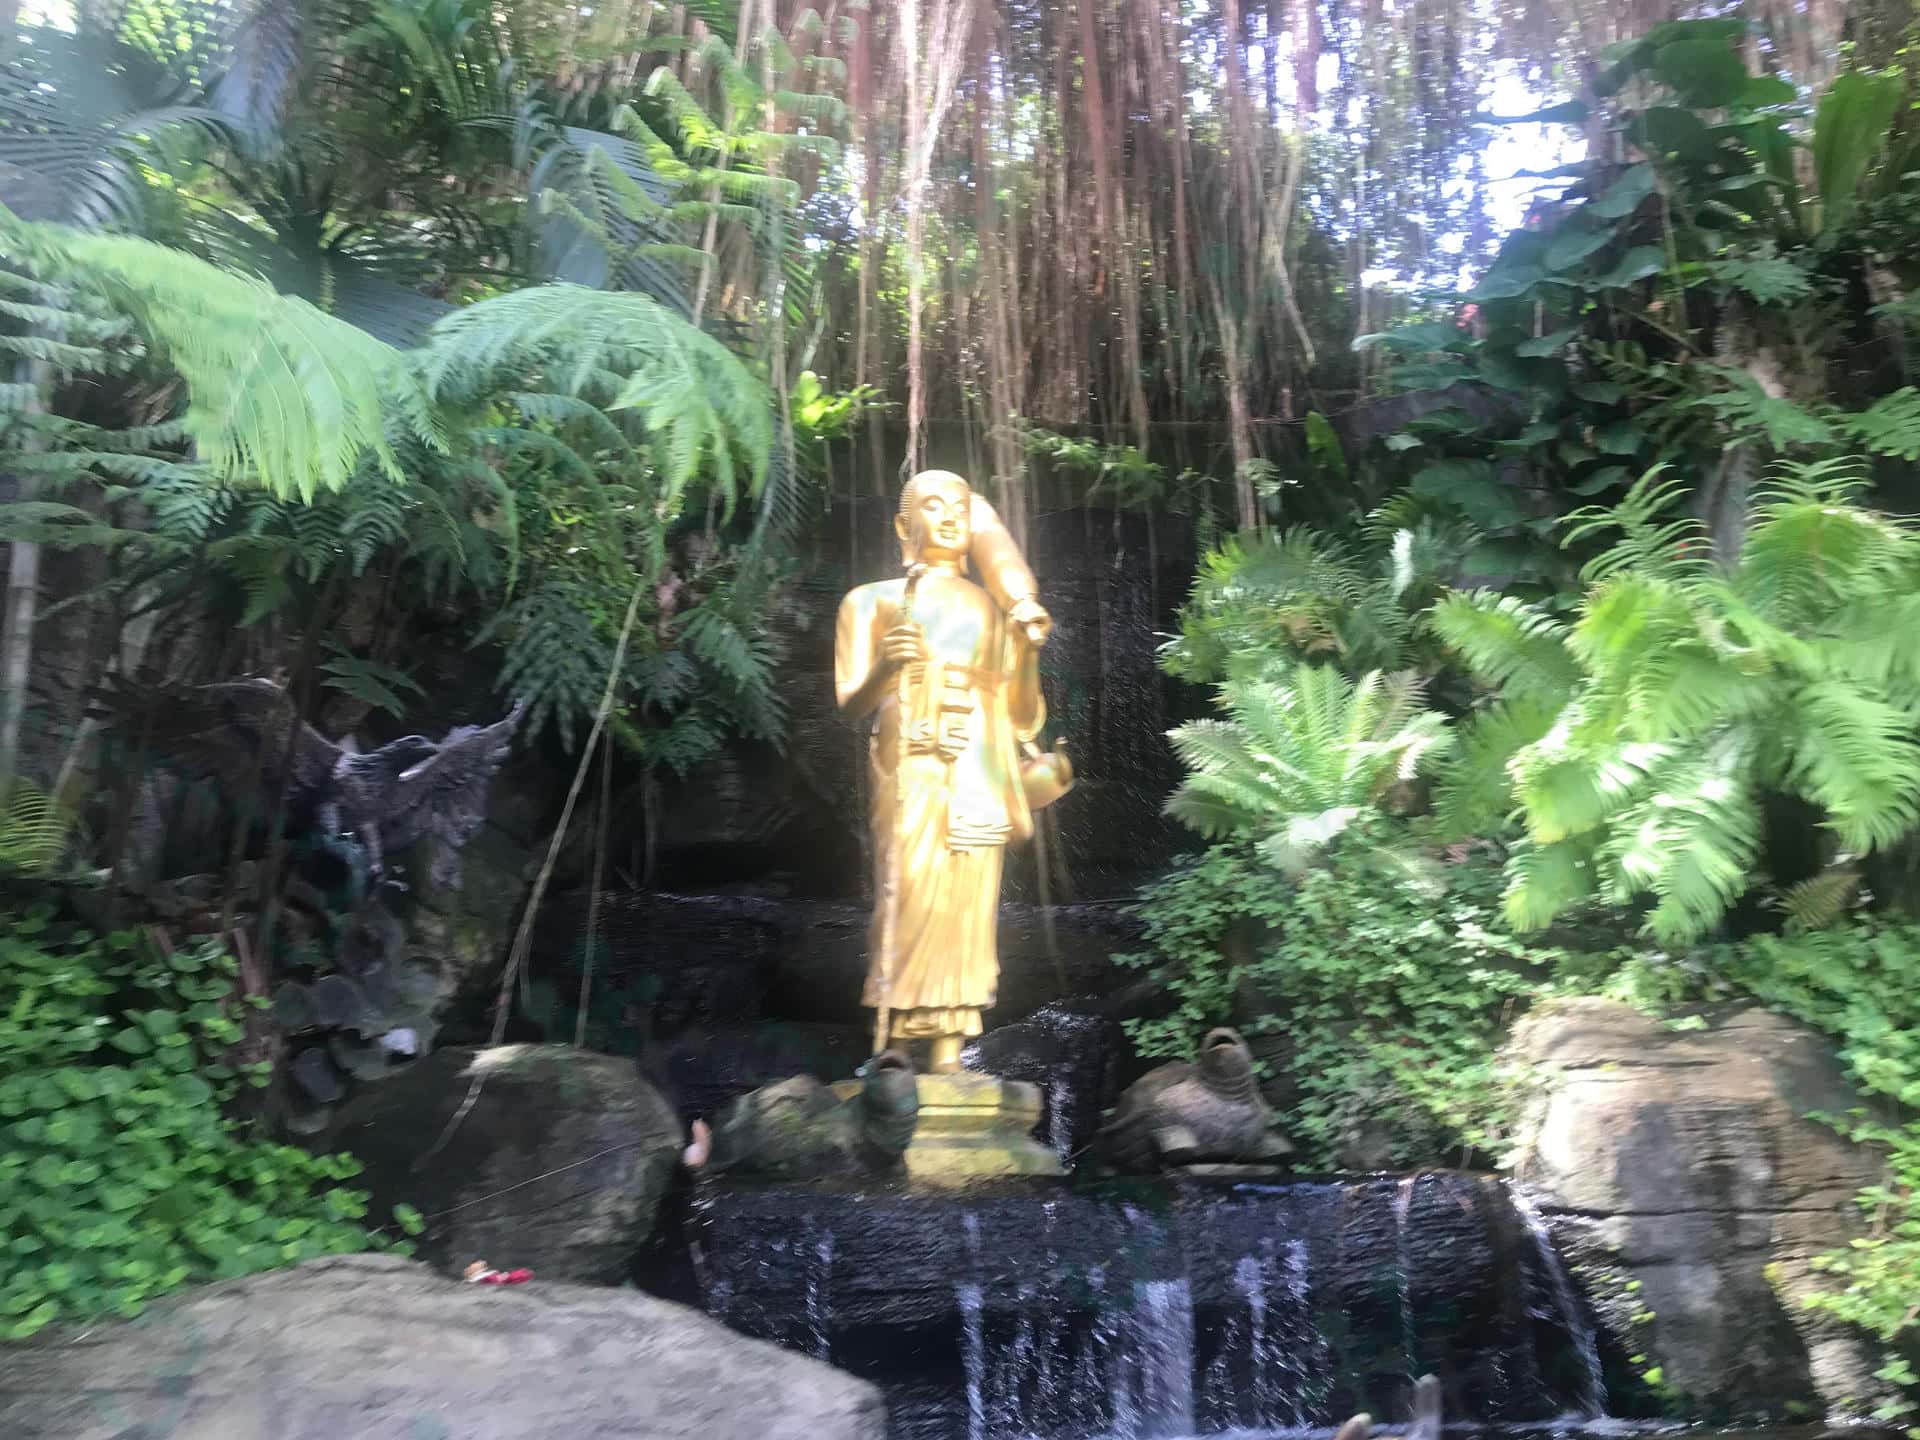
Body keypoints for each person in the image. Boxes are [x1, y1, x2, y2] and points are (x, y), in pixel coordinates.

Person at [833, 470, 1071, 1072]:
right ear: (902, 526)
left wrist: (1026, 649)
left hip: (977, 758)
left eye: (959, 509)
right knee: (907, 885)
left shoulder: (993, 609)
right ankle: (892, 1040)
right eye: (932, 506)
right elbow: (850, 704)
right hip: (910, 756)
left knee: (969, 901)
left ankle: (949, 1048)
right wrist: (887, 668)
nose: (947, 517)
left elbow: (1020, 712)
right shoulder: (870, 600)